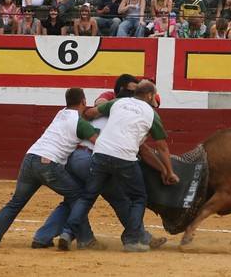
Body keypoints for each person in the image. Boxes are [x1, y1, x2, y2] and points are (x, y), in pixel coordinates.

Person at [57, 80, 180, 252]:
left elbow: (91, 112)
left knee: (87, 197)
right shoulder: (151, 113)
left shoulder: (118, 102)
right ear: (150, 96)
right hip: (124, 158)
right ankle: (131, 239)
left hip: (99, 154)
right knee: (138, 198)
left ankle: (68, 233)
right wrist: (169, 172)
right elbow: (162, 146)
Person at [0, 88, 99, 249]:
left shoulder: (60, 114)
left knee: (16, 202)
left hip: (30, 159)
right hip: (49, 165)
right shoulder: (79, 122)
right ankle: (86, 238)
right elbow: (99, 141)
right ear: (84, 101)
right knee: (78, 197)